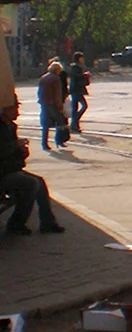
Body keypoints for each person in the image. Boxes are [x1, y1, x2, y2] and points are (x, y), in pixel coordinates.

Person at [0, 98, 66, 234]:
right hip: (3, 172)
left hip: (11, 169)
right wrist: (15, 146)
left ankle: (48, 222)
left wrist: (22, 152)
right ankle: (16, 223)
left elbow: (13, 155)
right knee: (30, 183)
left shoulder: (11, 126)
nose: (17, 113)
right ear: (4, 110)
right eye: (14, 109)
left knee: (39, 182)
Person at [37, 61, 68, 150]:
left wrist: (41, 101)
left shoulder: (43, 78)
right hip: (53, 104)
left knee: (45, 124)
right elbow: (57, 94)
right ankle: (59, 141)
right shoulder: (56, 79)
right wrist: (60, 106)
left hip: (44, 103)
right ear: (57, 70)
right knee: (60, 121)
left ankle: (44, 143)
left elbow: (39, 92)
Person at [67, 51, 90, 134]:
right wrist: (85, 75)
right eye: (81, 58)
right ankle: (74, 122)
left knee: (75, 108)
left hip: (75, 90)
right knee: (84, 106)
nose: (82, 59)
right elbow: (76, 77)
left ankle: (74, 125)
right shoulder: (75, 67)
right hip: (76, 90)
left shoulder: (77, 66)